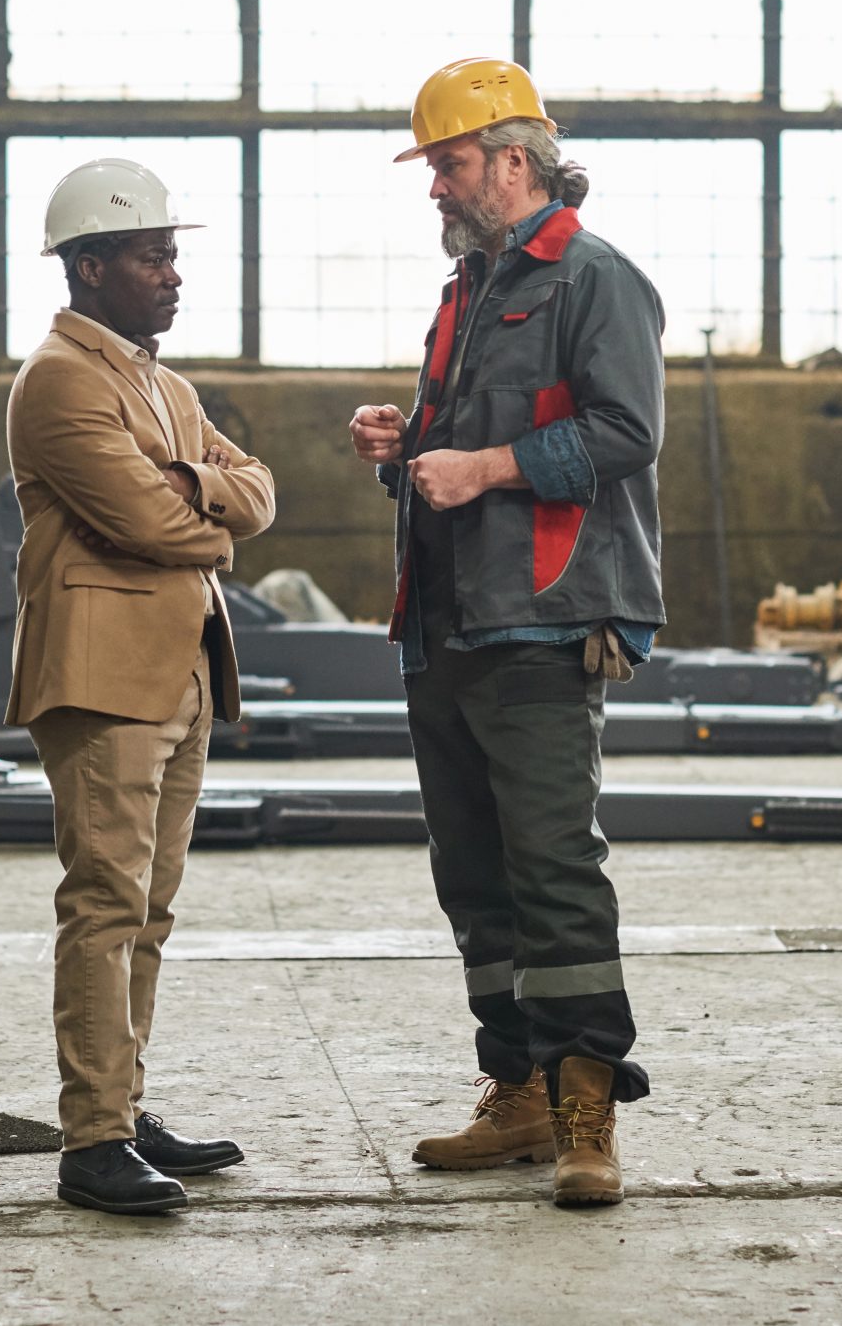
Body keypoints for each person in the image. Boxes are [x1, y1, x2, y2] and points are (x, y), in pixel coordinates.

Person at [347, 58, 667, 1209]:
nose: (435, 185)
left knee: (551, 865)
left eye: (449, 162)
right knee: (473, 876)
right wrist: (406, 434)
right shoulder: (467, 291)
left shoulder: (594, 278)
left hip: (543, 618)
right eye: (433, 165)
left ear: (513, 161)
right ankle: (518, 1088)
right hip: (445, 620)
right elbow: (468, 435)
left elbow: (626, 431)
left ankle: (588, 1110)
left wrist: (479, 463)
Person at [7, 157, 276, 1216]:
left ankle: (124, 1104)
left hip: (181, 668)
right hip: (104, 674)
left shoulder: (165, 385)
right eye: (152, 254)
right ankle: (93, 1139)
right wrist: (203, 507)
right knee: (105, 903)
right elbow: (151, 523)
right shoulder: (62, 378)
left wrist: (200, 486)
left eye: (172, 253)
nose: (173, 272)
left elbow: (255, 489)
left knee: (149, 910)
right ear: (89, 265)